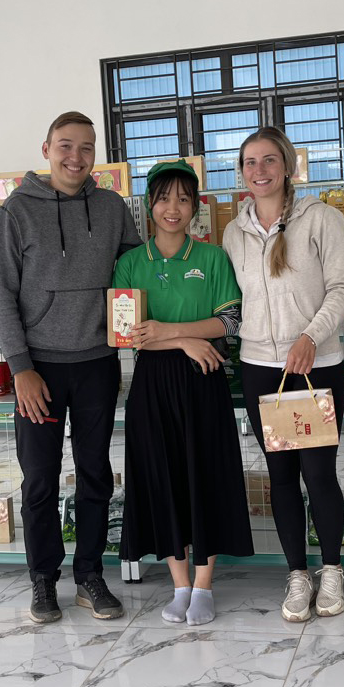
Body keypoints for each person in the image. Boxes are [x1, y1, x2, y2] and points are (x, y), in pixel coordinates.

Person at [0, 111, 142, 623]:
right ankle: (42, 579)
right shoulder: (17, 210)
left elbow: (133, 274)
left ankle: (90, 575)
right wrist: (20, 368)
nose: (76, 157)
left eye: (86, 147)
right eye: (66, 146)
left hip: (98, 363)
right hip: (40, 370)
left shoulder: (112, 207)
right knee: (40, 479)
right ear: (47, 150)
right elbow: (0, 293)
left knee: (95, 474)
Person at [222, 127, 344, 621]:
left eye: (269, 160)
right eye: (250, 162)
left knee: (318, 474)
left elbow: (343, 288)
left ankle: (332, 569)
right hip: (260, 369)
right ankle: (298, 574)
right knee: (280, 476)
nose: (259, 171)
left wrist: (311, 337)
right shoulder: (233, 232)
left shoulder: (322, 219)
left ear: (288, 166)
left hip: (314, 366)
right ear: (242, 172)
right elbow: (235, 303)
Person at [113, 160, 253, 626]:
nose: (173, 208)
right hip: (152, 384)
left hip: (203, 379)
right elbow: (126, 334)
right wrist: (185, 340)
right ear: (149, 205)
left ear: (195, 207)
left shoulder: (211, 258)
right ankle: (179, 585)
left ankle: (205, 586)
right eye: (163, 199)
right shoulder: (130, 264)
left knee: (204, 476)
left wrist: (173, 333)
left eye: (184, 199)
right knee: (164, 478)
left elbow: (230, 321)